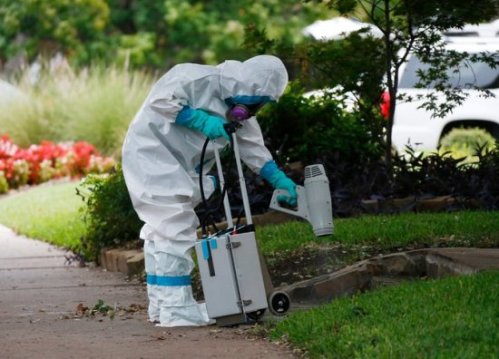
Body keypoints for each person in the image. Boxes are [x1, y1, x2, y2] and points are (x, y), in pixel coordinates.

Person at [122, 55, 297, 327]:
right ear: (246, 87)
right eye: (255, 103)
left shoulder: (239, 110)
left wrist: (280, 180)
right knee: (175, 227)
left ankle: (162, 306)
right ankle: (176, 310)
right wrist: (200, 120)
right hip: (151, 154)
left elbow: (253, 149)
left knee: (161, 232)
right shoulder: (194, 77)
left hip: (175, 164)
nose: (252, 112)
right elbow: (161, 100)